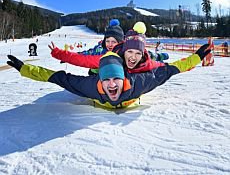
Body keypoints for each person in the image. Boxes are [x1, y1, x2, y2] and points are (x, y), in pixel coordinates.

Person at [6, 44, 210, 109]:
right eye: (107, 80)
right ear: (100, 80)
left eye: (116, 79)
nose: (112, 84)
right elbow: (58, 77)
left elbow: (171, 69)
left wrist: (197, 57)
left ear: (124, 77)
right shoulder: (90, 86)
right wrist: (25, 69)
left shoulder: (139, 83)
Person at [49, 22, 165, 74]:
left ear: (120, 43)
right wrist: (62, 55)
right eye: (107, 41)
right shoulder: (100, 51)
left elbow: (147, 57)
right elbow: (83, 57)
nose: (109, 44)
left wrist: (160, 57)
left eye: (113, 41)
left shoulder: (125, 51)